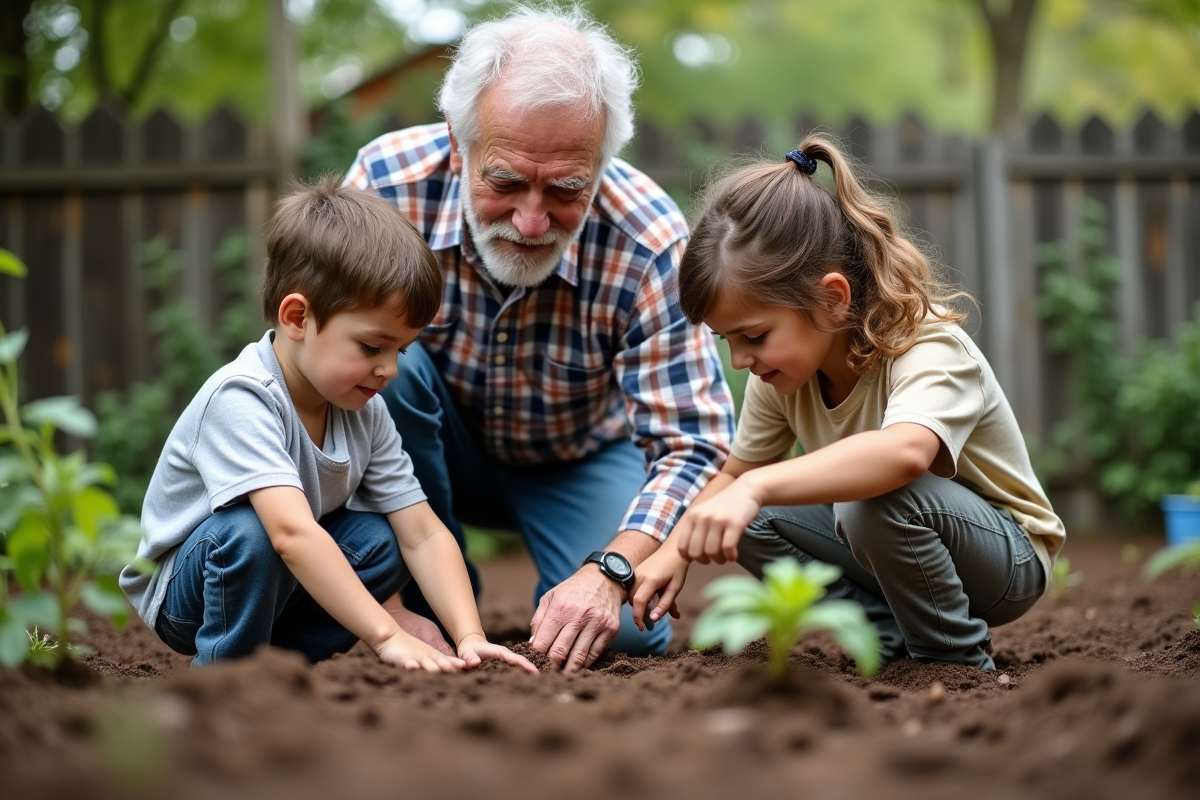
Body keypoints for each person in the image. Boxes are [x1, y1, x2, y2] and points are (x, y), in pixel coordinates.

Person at [344, 4, 735, 671]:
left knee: (626, 633)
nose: (530, 221)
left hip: (576, 454)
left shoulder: (649, 242)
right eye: (505, 182)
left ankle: (564, 595)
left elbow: (694, 443)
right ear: (457, 138)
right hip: (420, 450)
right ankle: (436, 598)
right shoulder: (386, 188)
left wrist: (610, 570)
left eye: (565, 188)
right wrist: (386, 604)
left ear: (603, 161)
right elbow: (306, 374)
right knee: (387, 373)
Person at [630, 136, 1065, 670]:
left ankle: (952, 662)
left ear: (832, 299)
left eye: (755, 335)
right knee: (744, 514)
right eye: (728, 342)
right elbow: (734, 474)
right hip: (892, 549)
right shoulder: (782, 376)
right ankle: (885, 636)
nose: (740, 361)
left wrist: (755, 485)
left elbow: (904, 454)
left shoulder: (928, 346)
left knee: (873, 498)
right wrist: (675, 550)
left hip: (1005, 562)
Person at [119, 176, 535, 674]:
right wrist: (387, 636)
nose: (390, 370)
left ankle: (283, 664)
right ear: (297, 317)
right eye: (371, 347)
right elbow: (291, 533)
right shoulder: (243, 398)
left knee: (383, 541)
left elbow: (422, 533)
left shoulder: (365, 410)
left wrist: (470, 636)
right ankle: (227, 677)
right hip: (191, 589)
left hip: (280, 576)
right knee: (251, 532)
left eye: (400, 350)